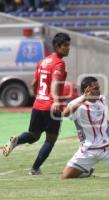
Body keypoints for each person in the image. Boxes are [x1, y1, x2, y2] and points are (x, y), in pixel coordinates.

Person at [3, 32, 71, 175]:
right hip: (51, 106)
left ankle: (17, 140)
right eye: (65, 46)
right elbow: (54, 82)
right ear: (57, 46)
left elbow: (34, 83)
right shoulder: (59, 63)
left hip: (38, 104)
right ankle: (35, 169)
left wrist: (38, 96)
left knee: (34, 135)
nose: (68, 48)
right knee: (51, 139)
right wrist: (57, 100)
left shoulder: (43, 62)